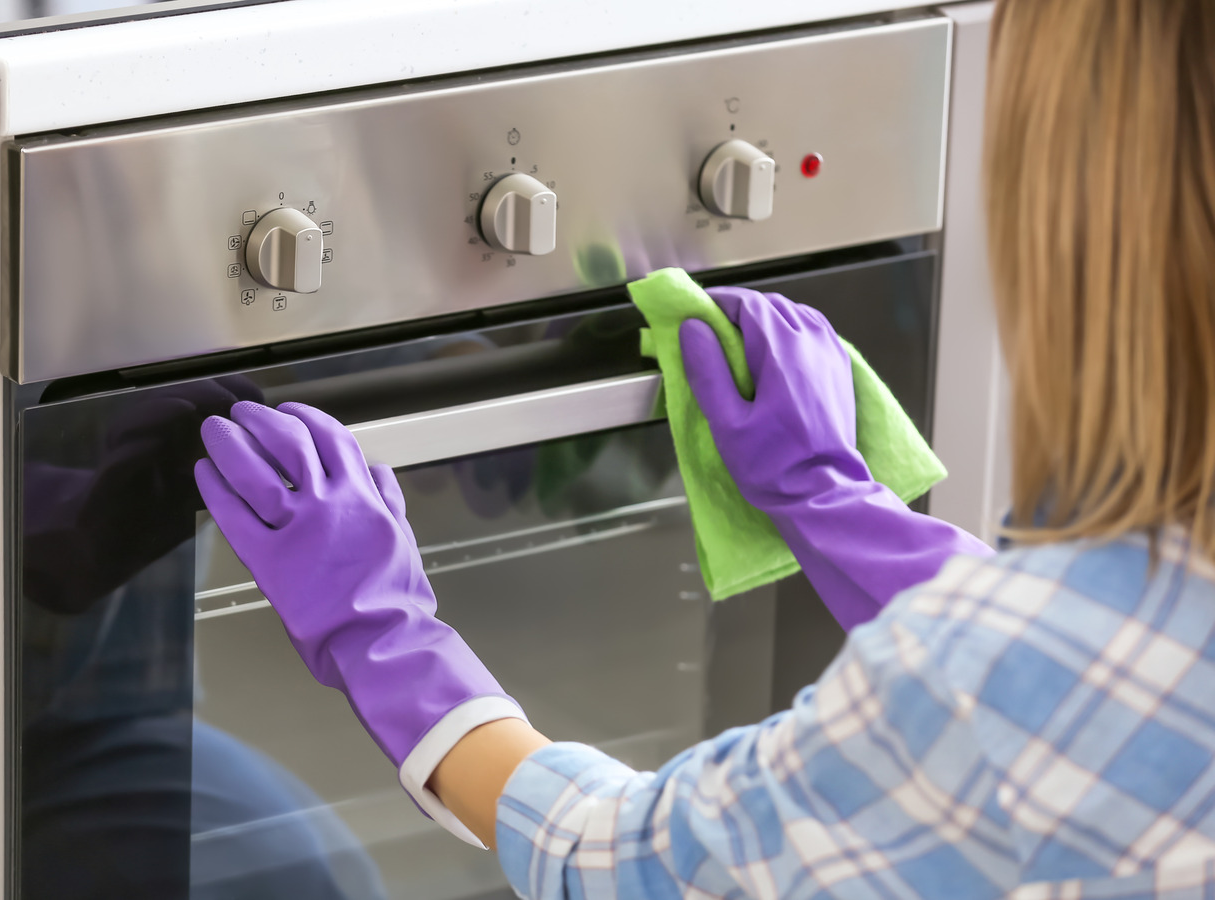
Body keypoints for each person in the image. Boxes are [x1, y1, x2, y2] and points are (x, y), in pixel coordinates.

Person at [194, 0, 1215, 895]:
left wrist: (384, 640)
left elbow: (623, 863)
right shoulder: (1092, 665)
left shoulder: (1000, 689)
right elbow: (1068, 674)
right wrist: (839, 506)